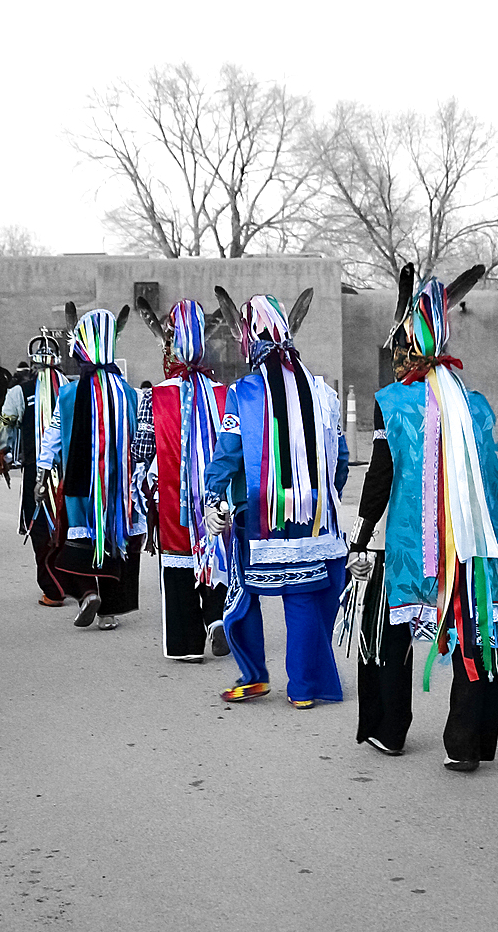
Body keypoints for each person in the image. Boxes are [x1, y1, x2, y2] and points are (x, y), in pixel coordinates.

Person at [347, 265, 498, 771]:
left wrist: (359, 538)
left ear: (411, 348)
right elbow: (493, 481)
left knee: (390, 629)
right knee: (472, 628)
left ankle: (391, 731)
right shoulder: (476, 404)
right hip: (471, 545)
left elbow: (380, 478)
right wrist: (497, 544)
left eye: (400, 346)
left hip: (410, 547)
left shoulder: (393, 402)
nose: (396, 354)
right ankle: (465, 743)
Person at [205, 289, 349, 707]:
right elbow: (339, 456)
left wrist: (214, 500)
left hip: (258, 514)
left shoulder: (243, 393)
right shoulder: (324, 394)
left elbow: (228, 453)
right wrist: (321, 498)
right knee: (302, 594)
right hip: (313, 515)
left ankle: (254, 676)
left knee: (243, 591)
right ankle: (303, 690)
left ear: (247, 341)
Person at [132, 298, 230, 662]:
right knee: (216, 549)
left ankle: (188, 642)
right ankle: (217, 618)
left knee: (179, 559)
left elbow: (141, 450)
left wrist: (141, 488)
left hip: (172, 496)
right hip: (216, 497)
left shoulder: (153, 397)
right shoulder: (224, 394)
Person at [35, 307, 144, 630]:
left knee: (72, 540)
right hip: (119, 489)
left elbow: (52, 436)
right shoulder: (129, 393)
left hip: (79, 488)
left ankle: (85, 593)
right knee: (114, 540)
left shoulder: (68, 394)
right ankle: (109, 611)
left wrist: (42, 476)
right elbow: (139, 439)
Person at [0, 332, 70, 606]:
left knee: (41, 527)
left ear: (33, 364)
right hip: (74, 474)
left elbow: (6, 424)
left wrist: (0, 454)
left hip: (38, 473)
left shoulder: (19, 392)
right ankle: (74, 581)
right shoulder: (74, 389)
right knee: (72, 525)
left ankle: (53, 588)